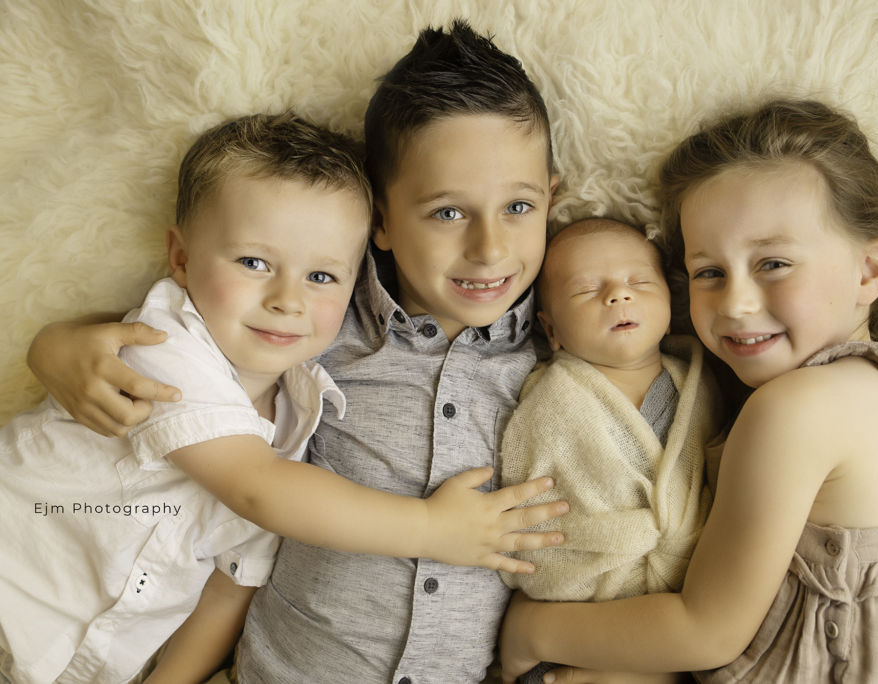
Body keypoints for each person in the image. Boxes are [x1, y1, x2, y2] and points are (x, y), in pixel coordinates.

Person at [25, 20, 576, 683]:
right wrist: (53, 345)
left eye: (518, 206)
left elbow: (239, 571)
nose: (489, 248)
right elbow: (192, 350)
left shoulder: (563, 349)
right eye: (447, 213)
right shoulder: (318, 334)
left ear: (553, 199)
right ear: (382, 223)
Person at [498, 99, 878, 683]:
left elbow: (706, 630)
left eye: (773, 263)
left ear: (870, 271)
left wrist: (529, 629)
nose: (736, 304)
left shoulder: (798, 409)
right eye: (709, 273)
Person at [499, 218, 722, 683]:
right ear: (552, 329)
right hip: (580, 613)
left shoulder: (706, 386)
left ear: (670, 299)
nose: (618, 295)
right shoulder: (552, 401)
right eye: (586, 290)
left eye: (638, 282)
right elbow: (531, 500)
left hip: (684, 611)